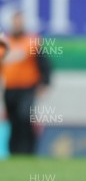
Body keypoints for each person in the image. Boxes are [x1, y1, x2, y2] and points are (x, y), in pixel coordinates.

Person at [1, 12, 51, 155]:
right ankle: (14, 151)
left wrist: (45, 82)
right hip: (10, 88)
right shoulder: (5, 42)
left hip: (27, 87)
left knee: (24, 117)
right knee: (13, 120)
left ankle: (28, 150)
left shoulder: (32, 41)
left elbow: (44, 63)